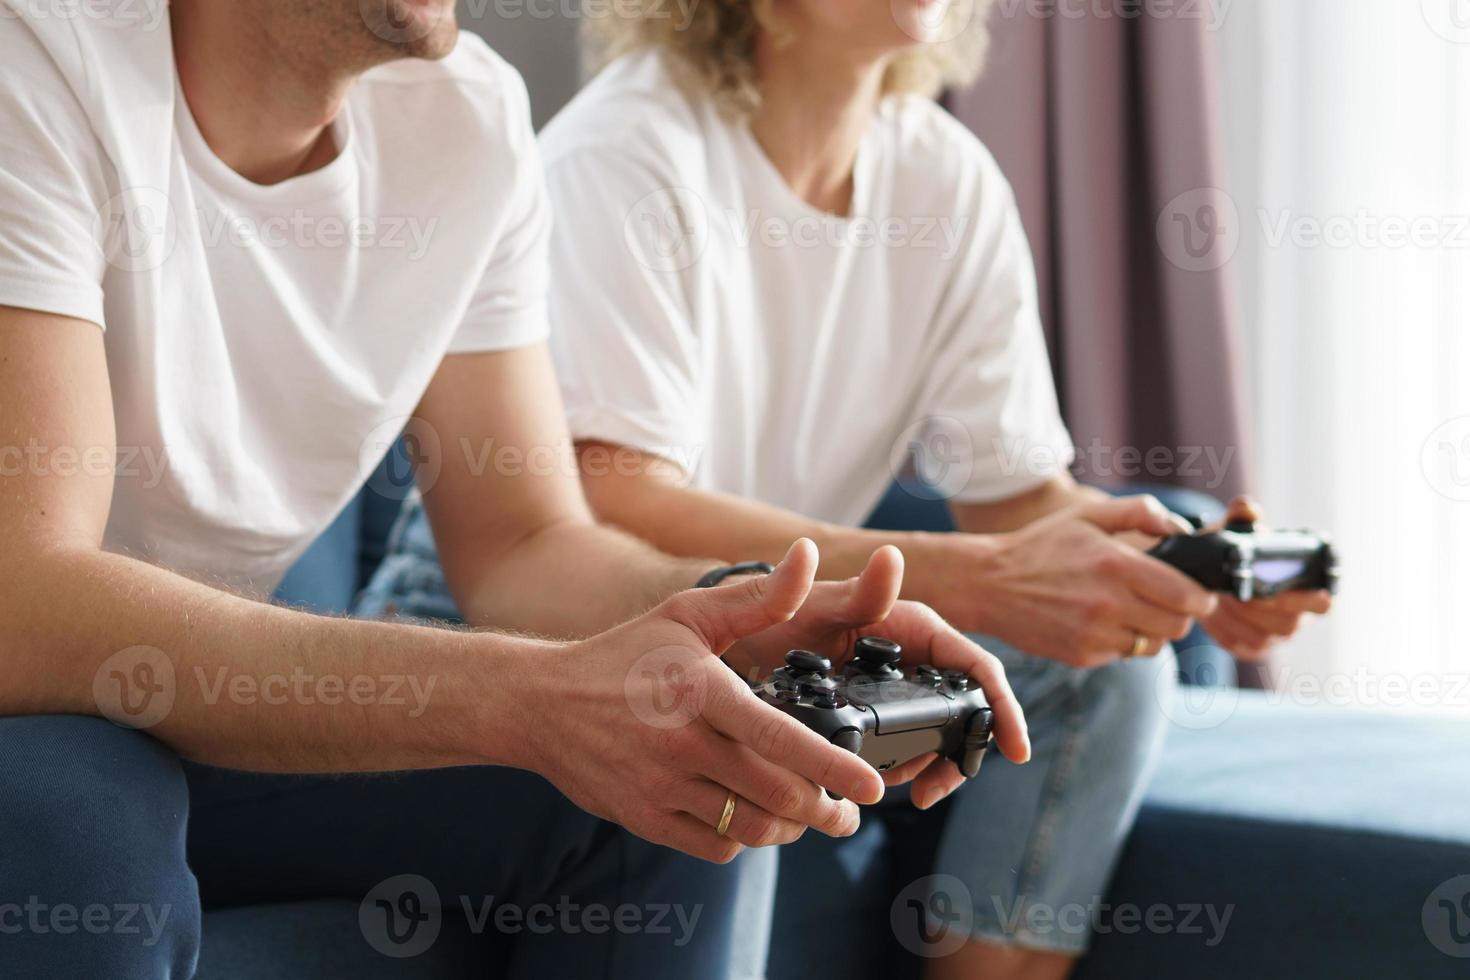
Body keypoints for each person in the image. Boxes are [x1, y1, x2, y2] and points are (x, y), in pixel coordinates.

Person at [0, 1, 1030, 976]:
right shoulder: (41, 58)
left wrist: (754, 621)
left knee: (691, 763)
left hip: (194, 714)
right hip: (37, 710)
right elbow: (26, 601)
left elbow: (526, 543)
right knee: (85, 818)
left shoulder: (467, 119)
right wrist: (527, 700)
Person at [362, 0, 1333, 975]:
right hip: (530, 618)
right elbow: (614, 501)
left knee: (1108, 667)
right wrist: (988, 574)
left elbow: (1021, 507)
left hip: (766, 612)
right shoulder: (628, 155)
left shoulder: (944, 180)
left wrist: (1174, 569)